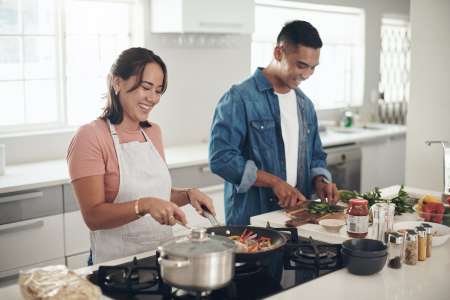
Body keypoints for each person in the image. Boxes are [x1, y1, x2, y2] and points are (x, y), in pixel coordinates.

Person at [67, 47, 215, 264]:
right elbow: (93, 216)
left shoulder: (153, 132)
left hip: (162, 260)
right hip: (115, 266)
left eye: (158, 90)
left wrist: (188, 195)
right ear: (117, 82)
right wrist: (143, 205)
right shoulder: (90, 137)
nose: (153, 98)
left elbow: (157, 196)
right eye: (146, 87)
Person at [209, 20, 339, 226]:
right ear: (279, 53)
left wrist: (320, 181)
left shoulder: (305, 105)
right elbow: (221, 159)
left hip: (298, 219)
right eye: (301, 65)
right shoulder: (239, 98)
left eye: (313, 68)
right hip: (253, 221)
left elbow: (316, 157)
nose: (306, 75)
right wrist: (275, 182)